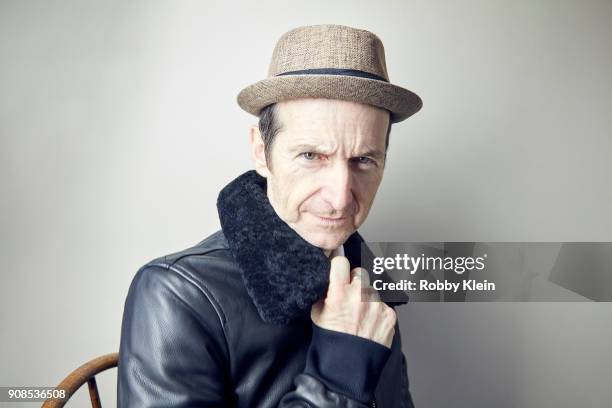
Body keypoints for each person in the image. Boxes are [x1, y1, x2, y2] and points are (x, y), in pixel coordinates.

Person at [117, 24, 422, 407]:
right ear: (261, 152)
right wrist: (342, 372)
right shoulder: (175, 295)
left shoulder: (367, 283)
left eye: (363, 160)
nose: (340, 196)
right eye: (311, 156)